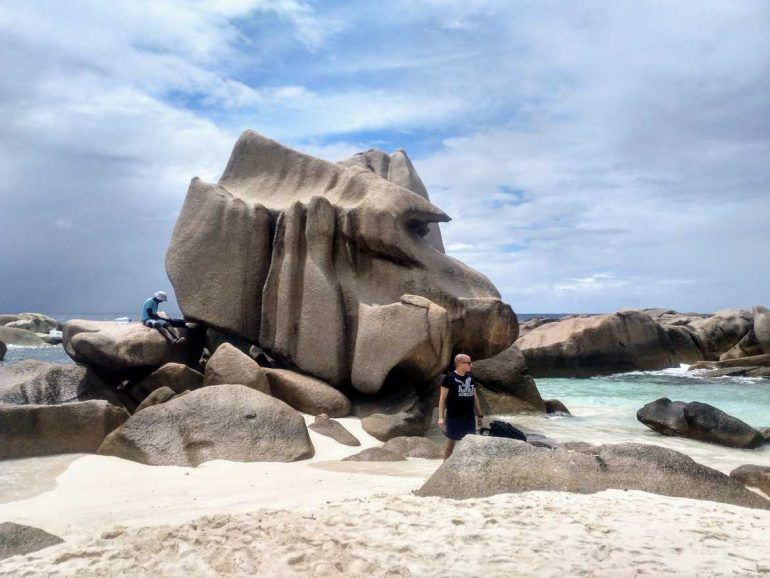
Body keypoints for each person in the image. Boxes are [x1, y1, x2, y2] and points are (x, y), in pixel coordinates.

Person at [437, 353, 483, 459]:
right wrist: (440, 417)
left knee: (471, 442)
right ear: (460, 364)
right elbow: (442, 399)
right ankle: (444, 466)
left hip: (469, 416)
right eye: (468, 363)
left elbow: (475, 397)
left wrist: (480, 415)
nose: (471, 365)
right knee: (451, 442)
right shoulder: (449, 378)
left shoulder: (470, 378)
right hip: (454, 416)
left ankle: (468, 466)